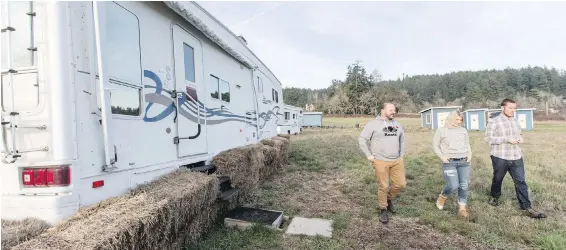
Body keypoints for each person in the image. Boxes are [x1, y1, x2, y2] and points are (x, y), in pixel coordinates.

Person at [484, 98, 547, 219]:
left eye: (514, 108)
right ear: (503, 108)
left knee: (521, 181)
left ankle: (526, 207)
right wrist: (506, 139)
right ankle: (494, 198)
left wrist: (520, 139)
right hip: (500, 156)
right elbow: (488, 138)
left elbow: (520, 134)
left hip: (516, 156)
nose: (513, 110)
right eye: (510, 108)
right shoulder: (494, 121)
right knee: (498, 179)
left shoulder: (515, 121)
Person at [358, 103, 406, 224]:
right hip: (380, 160)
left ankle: (388, 199)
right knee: (383, 186)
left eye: (394, 110)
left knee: (401, 184)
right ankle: (383, 209)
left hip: (396, 160)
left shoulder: (397, 124)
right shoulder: (373, 124)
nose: (393, 112)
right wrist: (369, 155)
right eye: (391, 110)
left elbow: (402, 140)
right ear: (382, 110)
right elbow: (362, 139)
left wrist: (401, 156)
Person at [433, 111, 471, 219]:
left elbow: (467, 143)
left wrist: (470, 155)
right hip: (449, 162)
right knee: (454, 185)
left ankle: (462, 209)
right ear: (450, 119)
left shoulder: (463, 130)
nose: (458, 122)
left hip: (464, 161)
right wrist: (442, 157)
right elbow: (435, 145)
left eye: (460, 120)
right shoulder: (441, 130)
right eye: (456, 120)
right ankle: (443, 196)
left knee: (464, 185)